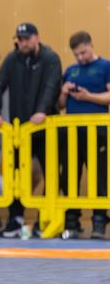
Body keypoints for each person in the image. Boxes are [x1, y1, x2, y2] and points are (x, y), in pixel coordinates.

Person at [0, 23, 62, 237]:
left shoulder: (51, 58)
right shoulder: (13, 59)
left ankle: (44, 219)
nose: (23, 43)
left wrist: (41, 111)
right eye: (19, 39)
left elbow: (51, 87)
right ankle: (15, 219)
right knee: (16, 175)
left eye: (26, 38)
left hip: (44, 126)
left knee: (51, 173)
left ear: (36, 38)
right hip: (19, 130)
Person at [58, 31, 110, 239]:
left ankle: (98, 221)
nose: (80, 58)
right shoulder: (71, 70)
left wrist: (89, 96)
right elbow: (60, 105)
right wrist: (64, 91)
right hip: (72, 133)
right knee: (69, 176)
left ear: (91, 45)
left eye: (83, 53)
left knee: (98, 176)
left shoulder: (105, 66)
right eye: (76, 54)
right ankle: (72, 221)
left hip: (97, 131)